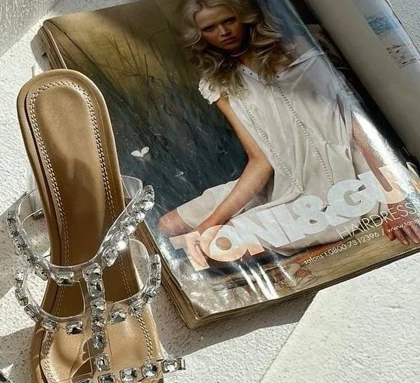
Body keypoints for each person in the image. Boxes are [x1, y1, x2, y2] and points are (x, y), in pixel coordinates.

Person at [158, 0, 420, 264]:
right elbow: (260, 161)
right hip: (282, 177)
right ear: (199, 36)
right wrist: (209, 224)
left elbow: (357, 124)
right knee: (167, 226)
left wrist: (396, 199)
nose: (223, 32)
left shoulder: (303, 49)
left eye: (228, 20)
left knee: (215, 250)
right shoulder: (218, 83)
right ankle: (222, 229)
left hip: (347, 173)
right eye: (210, 28)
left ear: (244, 18)